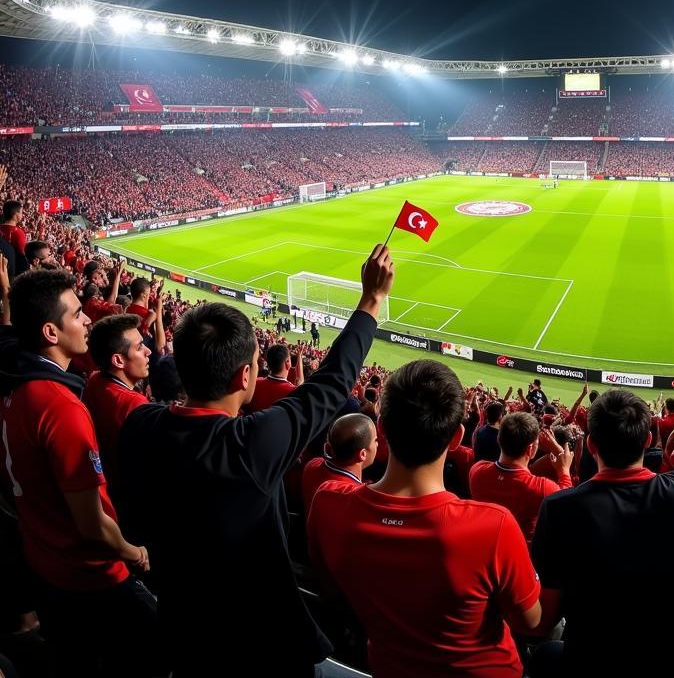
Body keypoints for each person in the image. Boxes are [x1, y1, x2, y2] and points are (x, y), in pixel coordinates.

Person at [118, 244, 393, 678]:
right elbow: (333, 381)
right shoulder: (250, 444)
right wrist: (372, 300)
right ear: (245, 376)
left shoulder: (140, 425)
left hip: (181, 633)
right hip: (263, 648)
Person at [308, 359, 541, 677]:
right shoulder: (493, 527)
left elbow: (330, 589)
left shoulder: (328, 502)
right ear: (458, 438)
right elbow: (531, 621)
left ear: (381, 430)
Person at [0, 270, 158, 678]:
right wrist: (133, 552)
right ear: (51, 331)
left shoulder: (17, 383)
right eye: (77, 314)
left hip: (45, 563)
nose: (87, 318)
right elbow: (91, 524)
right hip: (90, 576)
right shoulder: (61, 407)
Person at [529, 390, 674, 674]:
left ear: (590, 445)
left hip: (595, 662)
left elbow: (544, 620)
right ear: (647, 441)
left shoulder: (560, 508)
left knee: (543, 655)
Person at [469, 411, 573, 541]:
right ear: (530, 450)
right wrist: (564, 471)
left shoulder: (477, 470)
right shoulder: (542, 488)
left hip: (483, 543)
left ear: (499, 439)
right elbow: (568, 502)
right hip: (523, 555)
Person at [82, 315, 151, 510]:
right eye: (139, 347)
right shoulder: (135, 404)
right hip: (125, 504)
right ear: (118, 360)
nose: (148, 351)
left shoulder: (95, 380)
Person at [302, 412, 378, 515]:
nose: (377, 444)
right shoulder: (357, 498)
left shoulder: (312, 464)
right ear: (362, 454)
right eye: (375, 440)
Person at [245, 341, 303, 413]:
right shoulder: (293, 392)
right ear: (287, 363)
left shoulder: (254, 383)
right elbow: (300, 381)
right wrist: (299, 356)